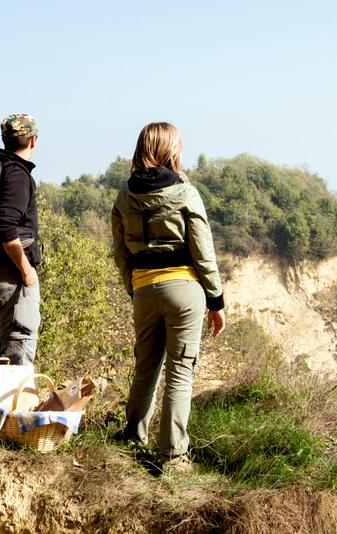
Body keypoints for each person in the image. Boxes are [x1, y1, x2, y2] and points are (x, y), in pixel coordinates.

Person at [111, 122, 226, 472]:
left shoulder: (123, 196)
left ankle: (131, 440)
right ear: (170, 150)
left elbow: (120, 253)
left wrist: (134, 286)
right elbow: (202, 250)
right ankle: (173, 457)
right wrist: (216, 301)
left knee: (146, 367)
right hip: (184, 289)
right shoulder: (185, 193)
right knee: (179, 373)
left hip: (144, 288)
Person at [0, 114, 42, 366]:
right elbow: (5, 226)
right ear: (33, 141)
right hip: (12, 275)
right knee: (17, 357)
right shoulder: (17, 174)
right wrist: (25, 269)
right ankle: (15, 406)